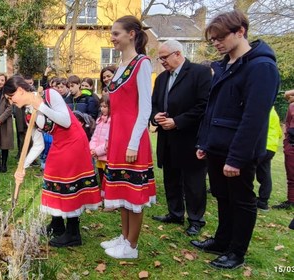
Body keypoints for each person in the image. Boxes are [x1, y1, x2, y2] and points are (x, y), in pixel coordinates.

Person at [192, 10, 280, 269]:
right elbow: (213, 109)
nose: (216, 43)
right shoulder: (223, 66)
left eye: (220, 37)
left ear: (240, 31)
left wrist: (237, 158)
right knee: (222, 195)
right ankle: (222, 241)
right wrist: (204, 142)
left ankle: (236, 252)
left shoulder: (261, 66)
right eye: (212, 40)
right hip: (216, 146)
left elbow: (254, 118)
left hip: (239, 152)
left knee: (241, 200)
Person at [3, 75, 101, 248]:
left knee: (69, 183)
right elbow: (38, 145)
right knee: (52, 178)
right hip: (59, 143)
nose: (11, 102)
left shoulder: (49, 95)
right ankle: (57, 225)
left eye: (11, 98)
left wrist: (40, 106)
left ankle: (73, 233)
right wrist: (22, 166)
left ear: (20, 90)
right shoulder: (27, 113)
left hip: (74, 141)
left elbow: (66, 120)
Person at [100, 15, 156, 259]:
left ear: (131, 34)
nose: (112, 38)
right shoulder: (121, 66)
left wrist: (133, 143)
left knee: (134, 193)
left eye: (116, 33)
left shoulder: (142, 63)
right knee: (122, 191)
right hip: (118, 136)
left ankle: (132, 246)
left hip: (133, 139)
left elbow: (145, 108)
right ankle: (124, 237)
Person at [151, 39, 211, 236]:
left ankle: (195, 219)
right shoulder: (161, 79)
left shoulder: (198, 73)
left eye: (164, 57)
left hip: (190, 137)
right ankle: (175, 212)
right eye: (160, 58)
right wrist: (156, 116)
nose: (162, 62)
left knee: (193, 181)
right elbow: (154, 104)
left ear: (178, 54)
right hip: (167, 139)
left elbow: (204, 105)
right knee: (171, 177)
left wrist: (178, 121)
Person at [256, 107, 282, 210]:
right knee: (265, 173)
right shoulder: (274, 113)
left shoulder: (263, 109)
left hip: (262, 145)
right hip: (272, 147)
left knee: (247, 170)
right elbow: (279, 133)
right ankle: (263, 201)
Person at [273, 90, 294, 210]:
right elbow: (287, 94)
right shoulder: (292, 106)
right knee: (291, 174)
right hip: (291, 144)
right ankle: (291, 200)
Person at [89, 94, 111, 187]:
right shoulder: (99, 120)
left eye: (105, 107)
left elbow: (109, 141)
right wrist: (92, 149)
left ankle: (107, 196)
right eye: (101, 106)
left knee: (108, 178)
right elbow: (94, 137)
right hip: (98, 156)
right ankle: (102, 194)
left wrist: (97, 151)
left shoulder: (112, 121)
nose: (102, 109)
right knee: (101, 176)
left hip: (106, 157)